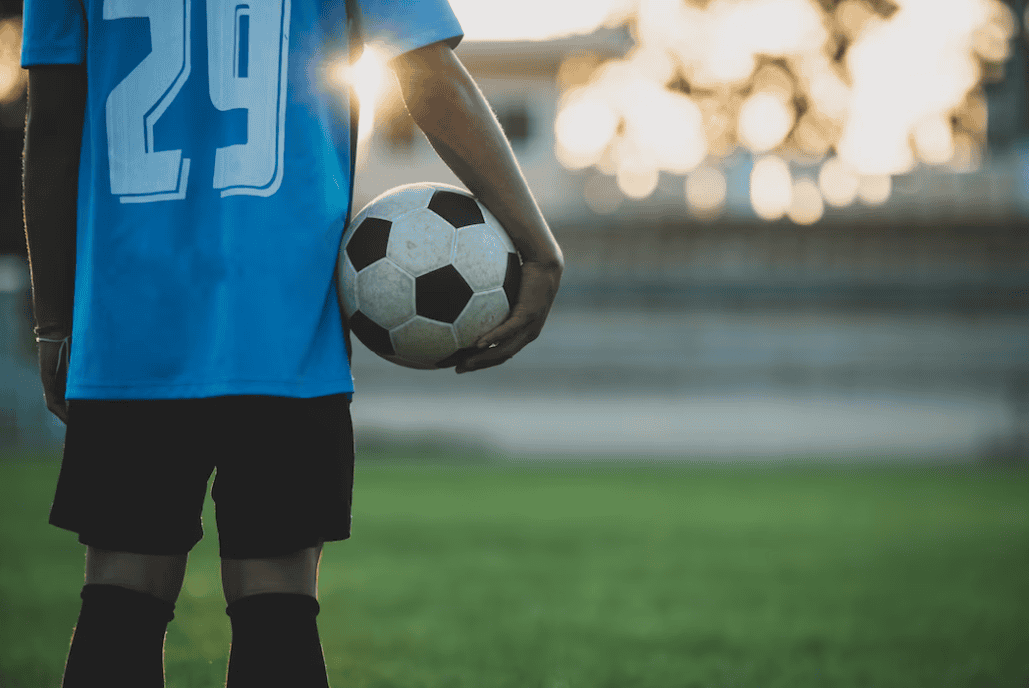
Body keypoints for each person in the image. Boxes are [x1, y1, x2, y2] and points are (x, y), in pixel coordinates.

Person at [20, 0, 564, 685]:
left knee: (120, 596)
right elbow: (428, 74)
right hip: (282, 327)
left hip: (131, 329)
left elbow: (55, 122)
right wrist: (538, 251)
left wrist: (54, 323)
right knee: (276, 601)